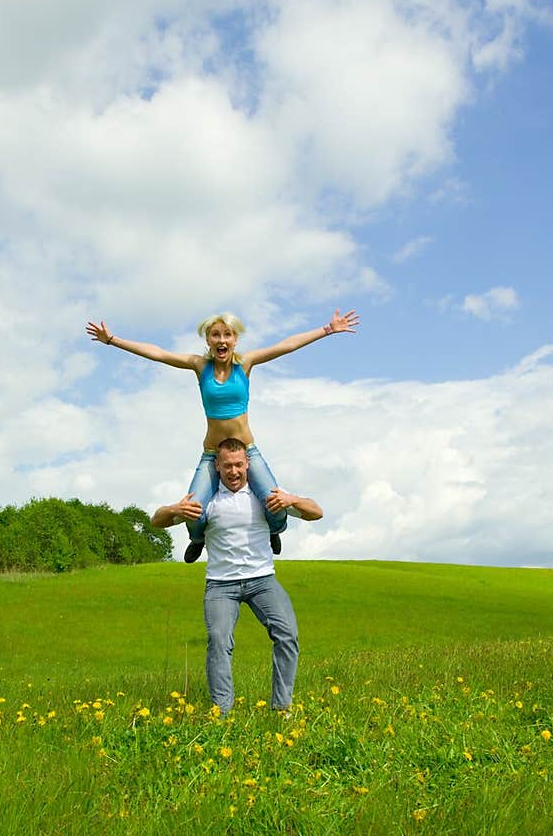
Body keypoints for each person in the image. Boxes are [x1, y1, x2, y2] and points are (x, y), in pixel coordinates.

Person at [87, 306, 357, 562]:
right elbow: (158, 353)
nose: (221, 339)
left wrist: (327, 329)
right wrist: (112, 339)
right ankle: (197, 538)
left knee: (274, 502)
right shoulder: (199, 366)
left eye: (227, 334)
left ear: (235, 340)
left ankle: (275, 531)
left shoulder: (246, 364)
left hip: (246, 451)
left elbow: (286, 346)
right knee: (193, 509)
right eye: (215, 334)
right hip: (212, 454)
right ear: (208, 340)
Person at [150, 436, 323, 715]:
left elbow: (317, 512)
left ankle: (282, 708)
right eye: (227, 466)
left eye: (239, 465)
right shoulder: (209, 501)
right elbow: (155, 520)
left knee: (287, 634)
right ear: (217, 466)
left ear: (248, 465)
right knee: (219, 641)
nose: (233, 471)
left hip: (262, 580)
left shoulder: (262, 497)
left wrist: (292, 499)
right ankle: (223, 713)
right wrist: (174, 509)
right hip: (221, 585)